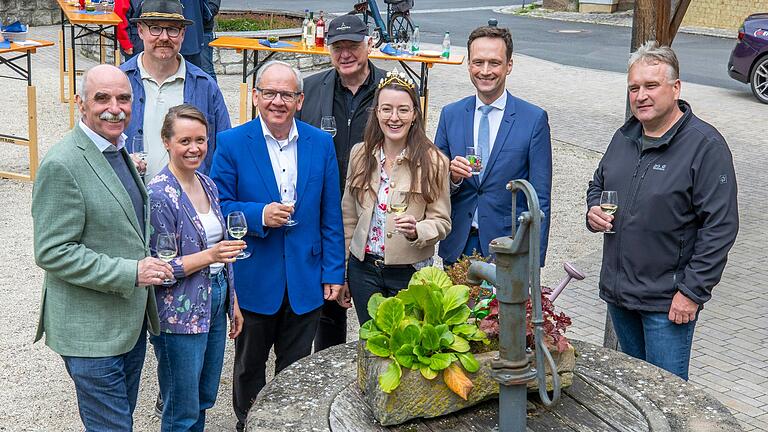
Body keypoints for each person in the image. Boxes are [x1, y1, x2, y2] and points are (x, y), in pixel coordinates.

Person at [586, 41, 739, 381]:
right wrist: (593, 210)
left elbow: (721, 228)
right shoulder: (624, 136)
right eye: (634, 87)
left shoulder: (705, 146)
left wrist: (692, 293)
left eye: (651, 86)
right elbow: (597, 184)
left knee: (668, 400)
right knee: (637, 393)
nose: (641, 95)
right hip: (620, 297)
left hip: (668, 306)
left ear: (676, 88)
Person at [31, 64, 172, 431]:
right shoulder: (63, 163)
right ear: (80, 103)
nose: (115, 107)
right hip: (89, 334)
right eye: (102, 98)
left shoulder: (117, 149)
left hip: (127, 323)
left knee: (117, 422)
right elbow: (52, 251)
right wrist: (132, 272)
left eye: (124, 98)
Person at [210, 60, 346, 432]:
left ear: (300, 100)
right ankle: (248, 423)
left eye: (286, 94)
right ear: (255, 96)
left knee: (297, 367)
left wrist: (334, 270)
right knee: (250, 365)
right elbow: (216, 206)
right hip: (256, 276)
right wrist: (259, 215)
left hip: (306, 276)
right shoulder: (232, 143)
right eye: (269, 92)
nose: (277, 101)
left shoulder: (320, 143)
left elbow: (329, 213)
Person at [146, 104, 245, 431]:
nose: (194, 148)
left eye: (200, 140)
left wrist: (233, 302)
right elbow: (159, 269)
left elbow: (224, 251)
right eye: (185, 140)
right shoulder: (159, 194)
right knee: (181, 405)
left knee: (203, 396)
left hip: (215, 301)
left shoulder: (207, 183)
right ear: (166, 141)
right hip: (179, 310)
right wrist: (211, 256)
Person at [296, 13, 387, 351]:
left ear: (369, 44)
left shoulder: (390, 89)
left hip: (372, 214)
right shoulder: (309, 89)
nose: (345, 54)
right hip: (324, 211)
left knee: (375, 310)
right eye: (338, 47)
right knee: (328, 306)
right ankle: (327, 373)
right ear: (328, 50)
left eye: (353, 45)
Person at [340, 69, 451, 324]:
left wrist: (417, 230)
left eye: (403, 110)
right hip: (363, 269)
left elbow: (442, 221)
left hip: (409, 273)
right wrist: (344, 272)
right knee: (371, 346)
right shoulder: (360, 154)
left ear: (414, 114)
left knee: (405, 349)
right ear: (376, 112)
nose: (394, 117)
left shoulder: (434, 161)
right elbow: (348, 218)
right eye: (386, 109)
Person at [435, 26, 552, 267]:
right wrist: (453, 178)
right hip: (459, 244)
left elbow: (540, 199)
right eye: (478, 62)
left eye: (494, 63)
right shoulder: (451, 115)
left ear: (509, 65)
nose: (485, 71)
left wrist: (533, 262)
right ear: (469, 64)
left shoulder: (533, 120)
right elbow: (432, 185)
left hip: (508, 247)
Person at [121, 0, 230, 181]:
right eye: (155, 28)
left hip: (189, 204)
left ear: (183, 34)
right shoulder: (119, 82)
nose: (164, 37)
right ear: (140, 30)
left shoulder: (205, 86)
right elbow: (95, 145)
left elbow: (224, 152)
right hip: (132, 202)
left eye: (172, 29)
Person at [200, 0, 221, 80]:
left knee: (206, 70)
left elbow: (212, 8)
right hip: (184, 30)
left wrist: (197, 15)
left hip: (204, 32)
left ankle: (213, 92)